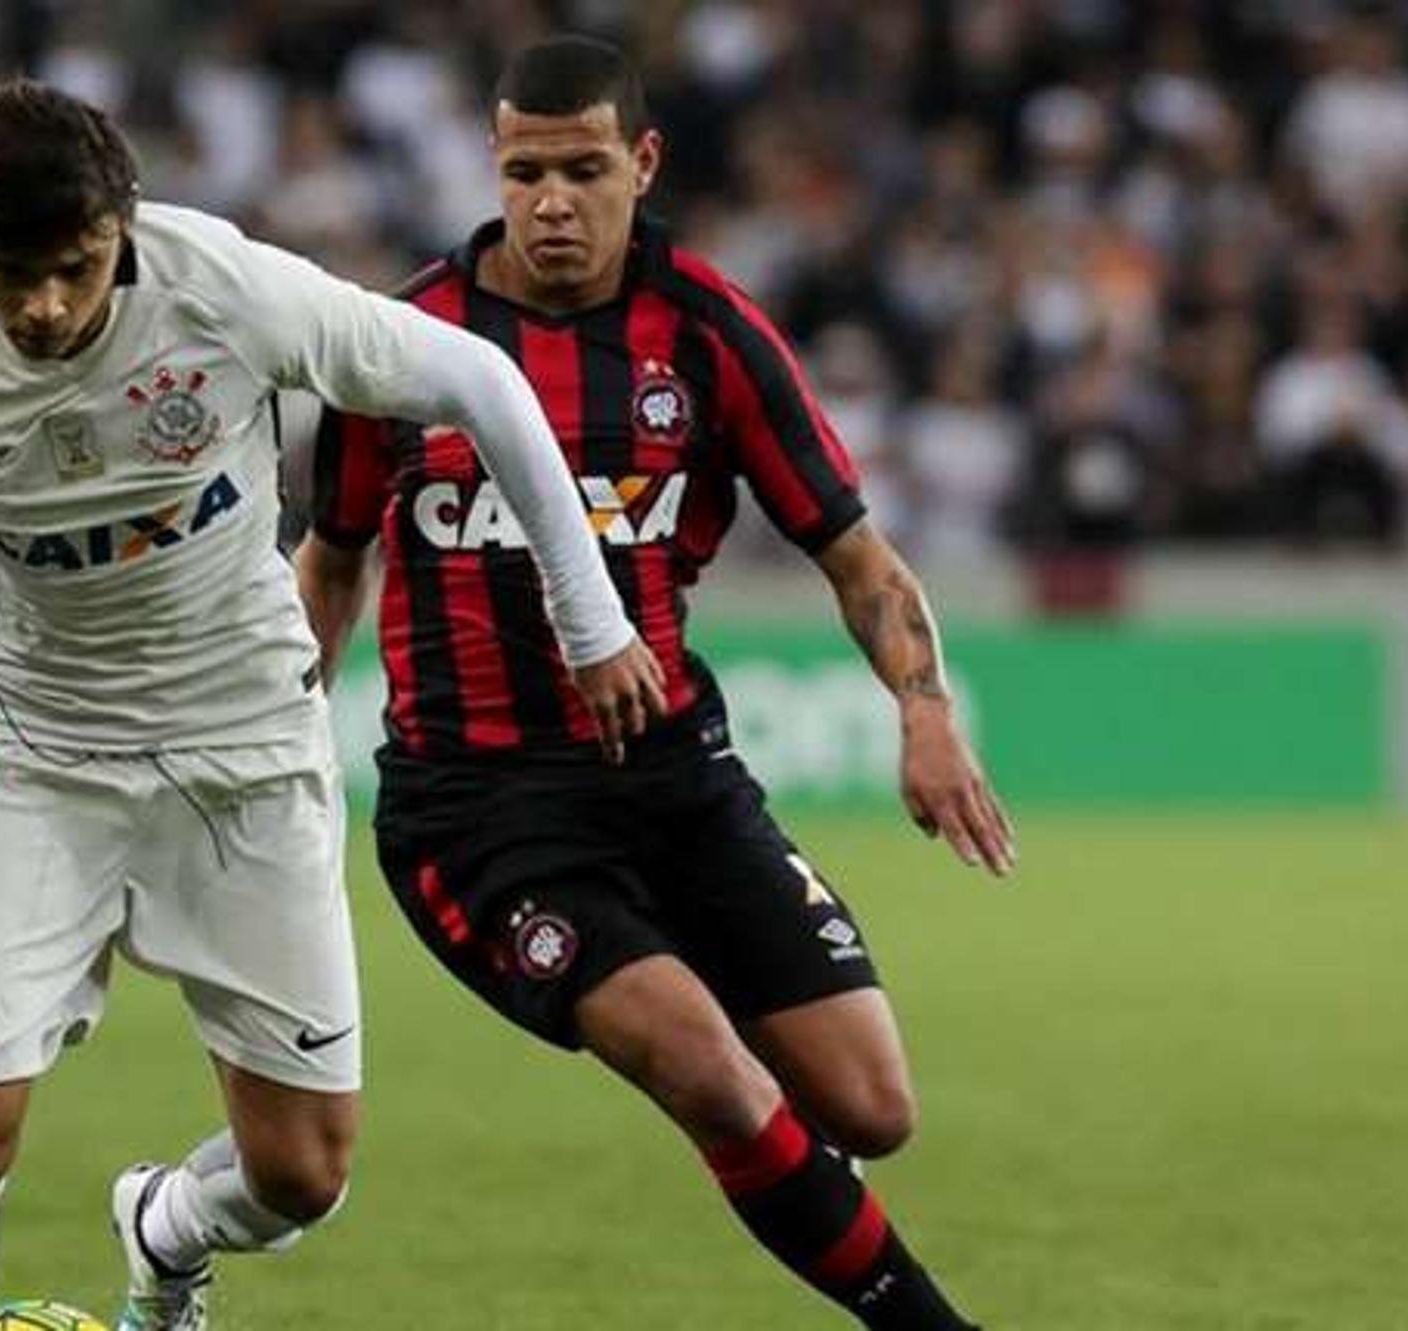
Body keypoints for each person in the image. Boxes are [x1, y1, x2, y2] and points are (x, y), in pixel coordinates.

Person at [0, 79, 664, 1331]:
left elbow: (482, 382)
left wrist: (592, 617)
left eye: (77, 264)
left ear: (120, 220)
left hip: (247, 757)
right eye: (16, 272)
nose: (50, 303)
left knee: (301, 1174)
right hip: (37, 763)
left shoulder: (224, 289)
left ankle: (162, 1228)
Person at [300, 37, 1015, 1331]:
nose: (552, 201)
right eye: (524, 171)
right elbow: (332, 561)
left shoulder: (710, 334)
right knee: (708, 1067)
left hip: (674, 775)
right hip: (482, 810)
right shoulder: (402, 345)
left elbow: (857, 558)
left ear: (643, 162)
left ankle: (792, 1178)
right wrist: (279, 728)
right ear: (494, 170)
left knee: (869, 1107)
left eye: (582, 168)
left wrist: (925, 710)